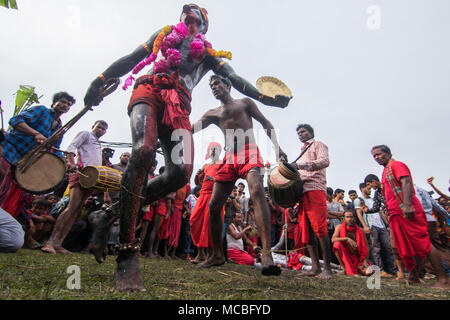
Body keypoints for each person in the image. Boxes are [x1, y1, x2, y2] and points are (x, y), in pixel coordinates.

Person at [83, 3, 290, 291]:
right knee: (143, 151)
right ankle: (127, 253)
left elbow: (236, 78)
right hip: (149, 90)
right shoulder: (165, 33)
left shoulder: (207, 54)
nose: (189, 13)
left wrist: (263, 97)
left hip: (180, 105)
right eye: (186, 11)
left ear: (203, 26)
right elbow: (132, 58)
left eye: (198, 14)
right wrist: (101, 79)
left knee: (180, 173)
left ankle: (106, 214)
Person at [192, 75, 287, 276]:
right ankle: (217, 254)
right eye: (211, 86)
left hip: (249, 151)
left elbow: (265, 123)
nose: (214, 88)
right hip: (228, 157)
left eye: (217, 83)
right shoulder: (213, 113)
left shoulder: (245, 103)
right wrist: (168, 136)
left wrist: (277, 148)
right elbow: (191, 128)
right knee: (213, 204)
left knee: (257, 191)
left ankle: (267, 254)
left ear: (227, 85)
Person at [371, 144, 449, 288]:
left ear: (388, 153)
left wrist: (407, 205)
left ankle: (443, 279)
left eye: (379, 154)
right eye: (374, 156)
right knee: (407, 247)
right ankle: (414, 277)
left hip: (406, 210)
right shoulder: (385, 171)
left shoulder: (397, 165)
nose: (376, 157)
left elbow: (406, 181)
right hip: (396, 213)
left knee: (423, 244)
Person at [0, 92, 75, 218]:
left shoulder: (60, 129)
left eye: (68, 104)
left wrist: (65, 162)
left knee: (5, 192)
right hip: (8, 150)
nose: (65, 105)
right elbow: (15, 120)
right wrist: (36, 133)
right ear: (54, 103)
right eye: (62, 101)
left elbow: (55, 149)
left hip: (22, 162)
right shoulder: (42, 111)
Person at [42, 120, 108, 254]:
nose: (100, 130)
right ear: (93, 126)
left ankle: (59, 243)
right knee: (72, 206)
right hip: (80, 172)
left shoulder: (98, 144)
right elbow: (71, 147)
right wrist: (71, 162)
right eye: (98, 127)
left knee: (77, 210)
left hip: (91, 178)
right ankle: (50, 242)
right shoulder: (85, 134)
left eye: (103, 129)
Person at [294, 123, 333, 279]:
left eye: (303, 132)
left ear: (310, 132)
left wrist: (299, 165)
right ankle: (315, 267)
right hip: (303, 191)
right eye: (298, 133)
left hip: (315, 189)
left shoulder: (318, 145)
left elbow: (324, 161)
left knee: (320, 227)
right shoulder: (301, 151)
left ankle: (328, 269)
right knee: (307, 229)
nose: (300, 135)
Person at [189, 142, 222, 264]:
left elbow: (224, 181)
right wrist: (197, 175)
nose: (213, 151)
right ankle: (201, 253)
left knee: (208, 225)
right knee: (194, 221)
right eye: (211, 149)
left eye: (215, 149)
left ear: (219, 151)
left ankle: (209, 255)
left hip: (214, 197)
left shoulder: (221, 164)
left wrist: (213, 179)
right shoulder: (205, 164)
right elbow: (197, 182)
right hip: (202, 195)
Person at [354, 181, 396, 277]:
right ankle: (380, 270)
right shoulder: (359, 200)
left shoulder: (374, 199)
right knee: (375, 248)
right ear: (362, 189)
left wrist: (387, 225)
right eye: (368, 188)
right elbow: (359, 213)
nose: (370, 190)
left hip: (381, 225)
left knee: (389, 247)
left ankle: (393, 270)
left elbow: (380, 212)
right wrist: (365, 226)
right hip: (371, 225)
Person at [332, 211, 373, 276]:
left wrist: (365, 260)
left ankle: (359, 269)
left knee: (369, 272)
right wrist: (347, 239)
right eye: (347, 217)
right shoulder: (339, 227)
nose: (350, 219)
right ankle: (343, 267)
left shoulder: (360, 230)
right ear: (344, 219)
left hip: (358, 257)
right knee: (336, 244)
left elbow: (366, 246)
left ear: (354, 218)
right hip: (346, 255)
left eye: (351, 217)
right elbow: (333, 239)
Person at [183, 185, 200, 261]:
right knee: (188, 235)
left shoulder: (201, 199)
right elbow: (185, 203)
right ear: (196, 191)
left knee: (194, 237)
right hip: (190, 218)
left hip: (197, 220)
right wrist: (187, 211)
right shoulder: (190, 196)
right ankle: (187, 254)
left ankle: (192, 254)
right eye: (200, 191)